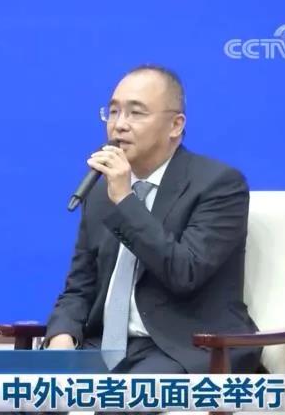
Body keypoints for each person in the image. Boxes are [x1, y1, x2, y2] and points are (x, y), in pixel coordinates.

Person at [45, 64, 261, 375]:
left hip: (184, 348)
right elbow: (80, 286)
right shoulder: (101, 191)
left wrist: (126, 201)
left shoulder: (219, 185)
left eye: (135, 113)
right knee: (20, 391)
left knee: (124, 397)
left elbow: (184, 273)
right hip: (104, 346)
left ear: (175, 125)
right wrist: (62, 336)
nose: (119, 125)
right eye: (113, 112)